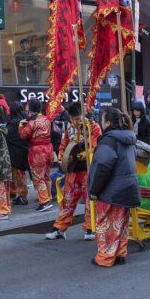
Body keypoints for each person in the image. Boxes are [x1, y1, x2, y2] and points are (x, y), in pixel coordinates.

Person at [88, 107, 140, 267]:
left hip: (112, 189)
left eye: (102, 119)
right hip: (127, 187)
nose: (101, 122)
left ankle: (105, 257)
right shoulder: (129, 137)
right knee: (121, 223)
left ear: (108, 122)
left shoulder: (109, 139)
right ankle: (120, 254)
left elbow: (102, 166)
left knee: (105, 224)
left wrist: (94, 189)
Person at [45, 102, 101, 241]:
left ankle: (90, 228)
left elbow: (96, 146)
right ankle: (60, 228)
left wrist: (85, 152)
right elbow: (63, 146)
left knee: (90, 201)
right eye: (73, 119)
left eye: (78, 118)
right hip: (72, 171)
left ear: (84, 115)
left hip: (88, 170)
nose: (75, 121)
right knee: (67, 200)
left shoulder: (94, 127)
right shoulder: (69, 128)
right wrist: (62, 159)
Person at [18, 99, 54, 212]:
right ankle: (49, 197)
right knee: (46, 175)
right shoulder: (46, 119)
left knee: (38, 177)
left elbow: (23, 135)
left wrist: (20, 126)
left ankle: (44, 201)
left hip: (38, 151)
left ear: (31, 109)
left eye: (28, 107)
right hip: (48, 148)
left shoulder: (31, 122)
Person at [7, 101, 30, 205]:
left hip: (15, 153)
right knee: (22, 174)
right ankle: (21, 195)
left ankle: (22, 197)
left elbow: (9, 138)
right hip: (25, 151)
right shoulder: (25, 121)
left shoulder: (12, 123)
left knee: (18, 175)